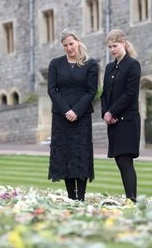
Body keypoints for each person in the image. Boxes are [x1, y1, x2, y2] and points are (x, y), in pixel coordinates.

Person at [47, 29, 98, 201]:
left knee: (80, 154)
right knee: (66, 155)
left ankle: (81, 197)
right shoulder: (55, 64)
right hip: (61, 118)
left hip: (82, 117)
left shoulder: (90, 64)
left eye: (71, 43)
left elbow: (91, 91)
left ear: (78, 41)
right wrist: (66, 111)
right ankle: (71, 196)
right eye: (65, 45)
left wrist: (76, 111)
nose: (69, 48)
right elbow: (52, 90)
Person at [100, 29, 141, 203]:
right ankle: (129, 199)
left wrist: (112, 112)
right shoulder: (110, 67)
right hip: (113, 122)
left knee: (125, 160)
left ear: (123, 42)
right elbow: (104, 94)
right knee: (119, 160)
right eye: (110, 47)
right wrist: (105, 113)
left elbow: (130, 94)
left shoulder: (133, 65)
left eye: (115, 46)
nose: (112, 50)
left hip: (128, 120)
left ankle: (131, 200)